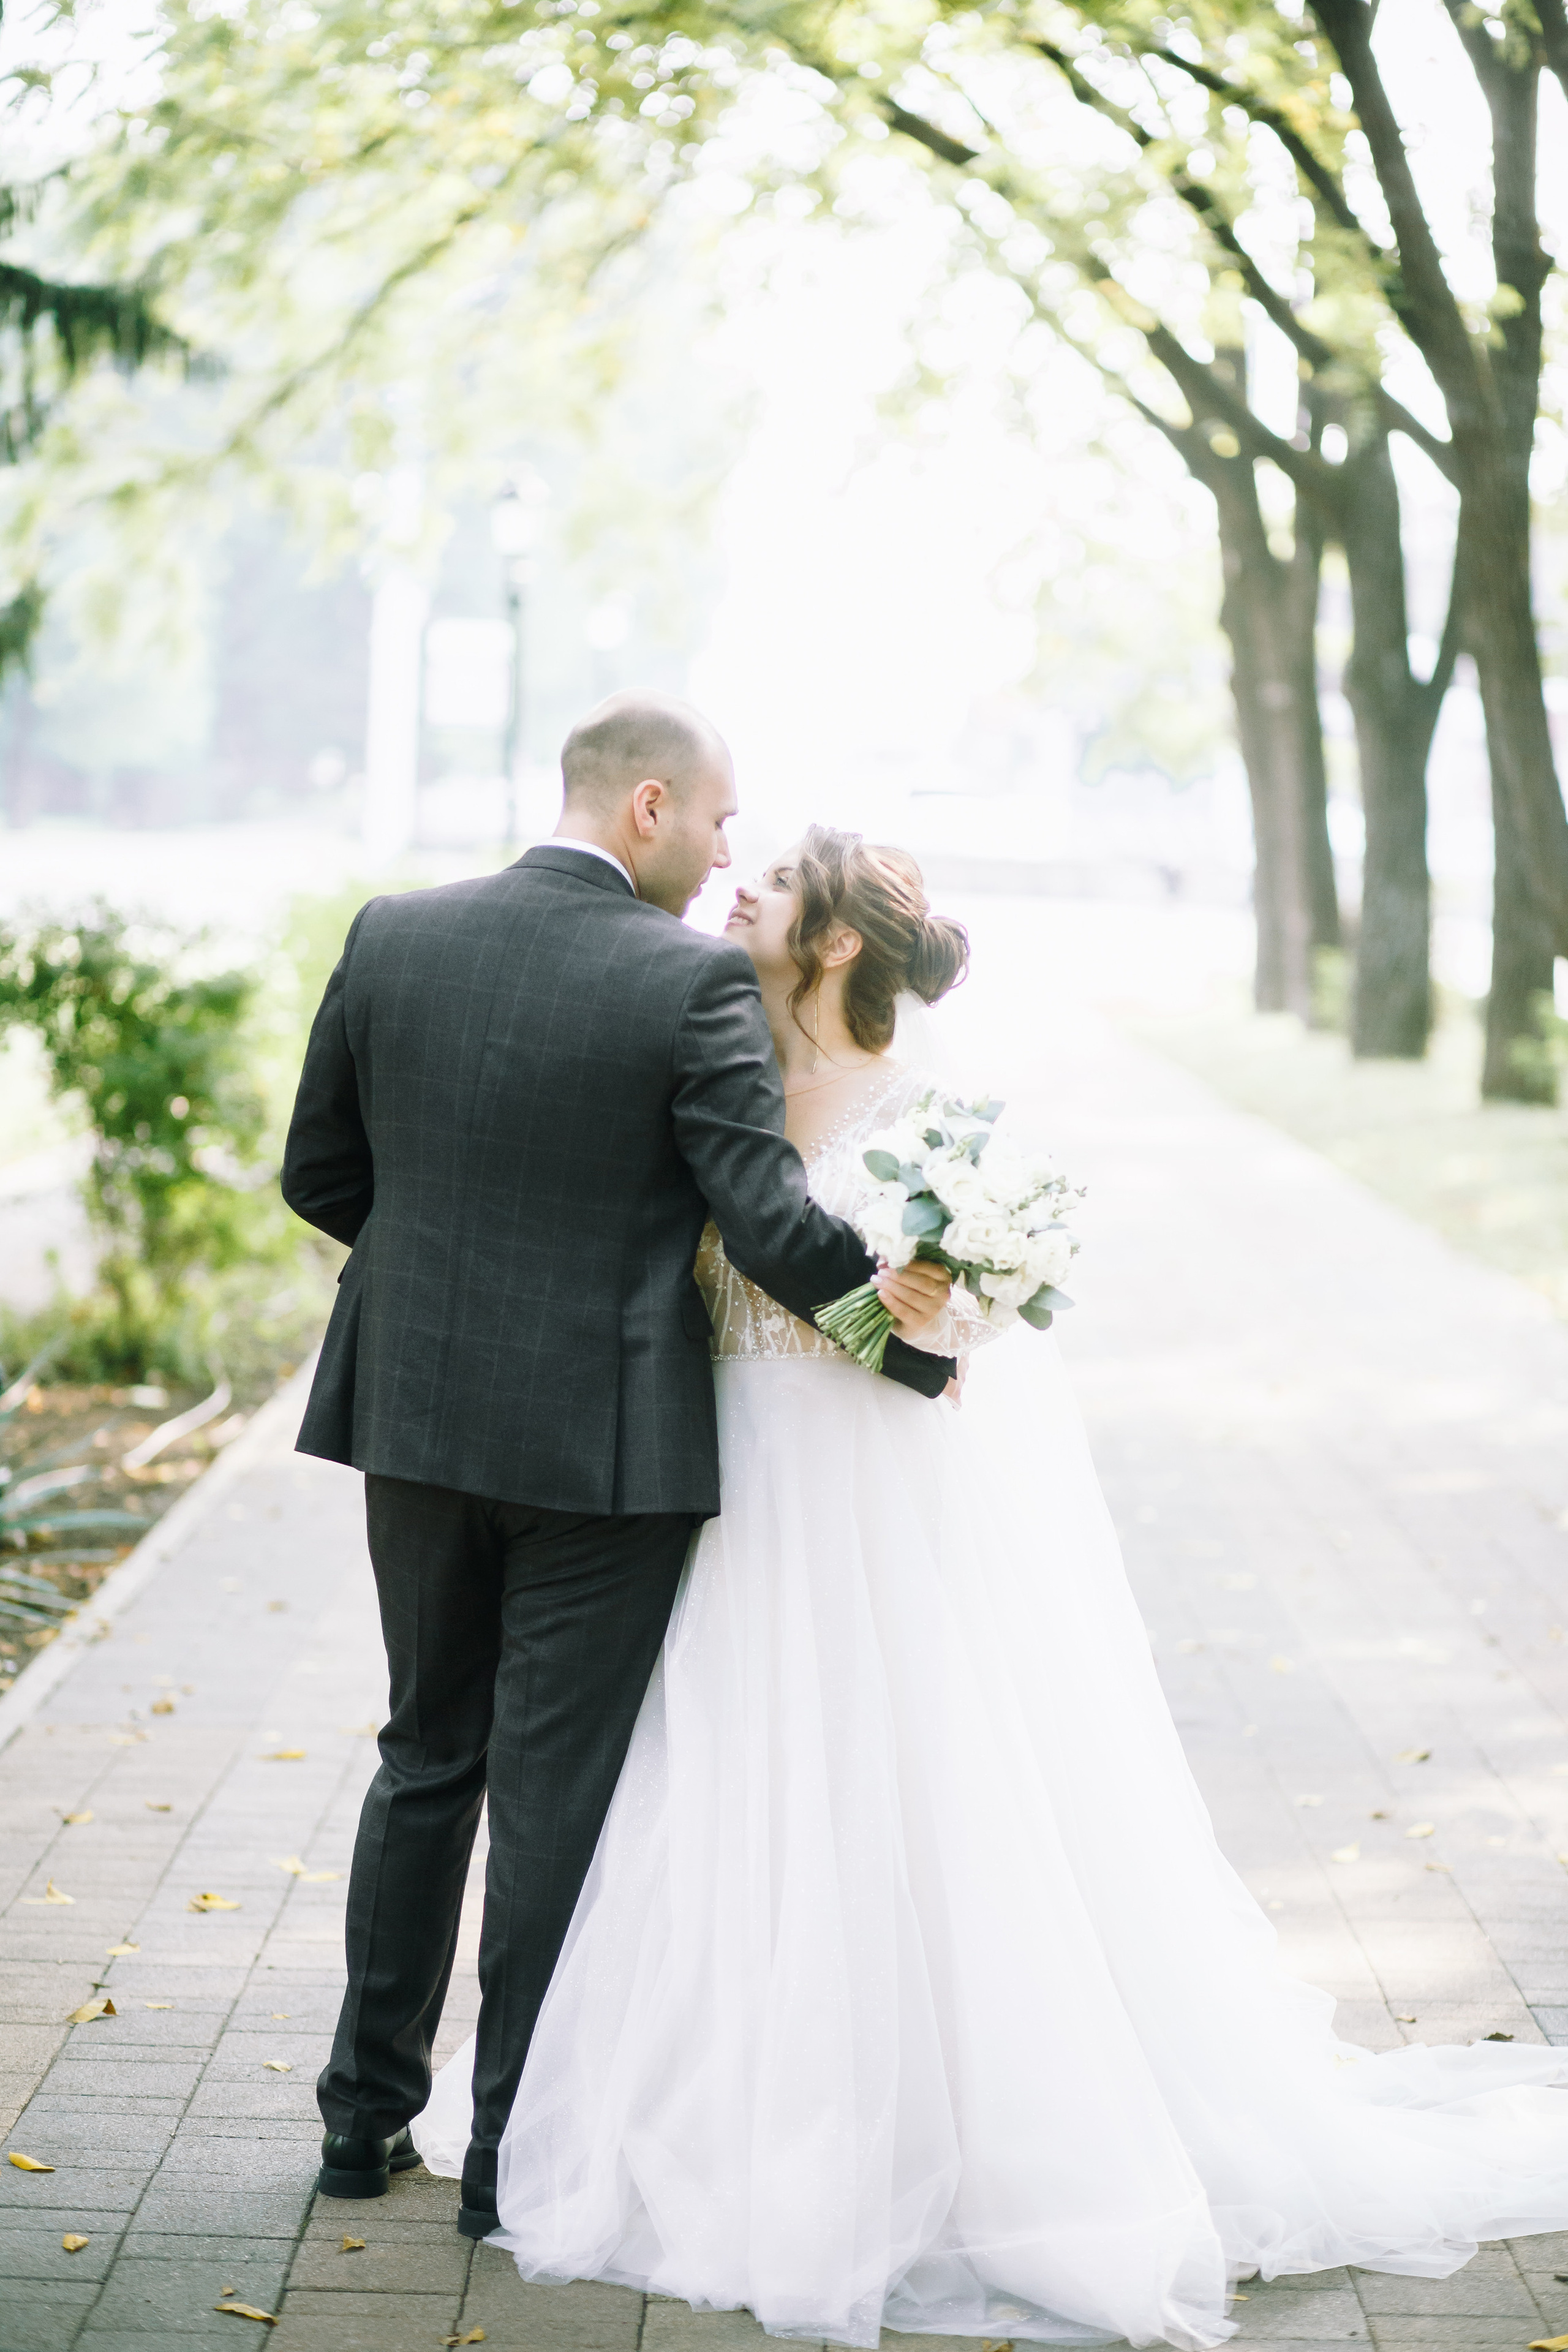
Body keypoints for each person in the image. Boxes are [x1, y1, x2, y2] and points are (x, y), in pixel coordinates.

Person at [413, 824, 1568, 2351]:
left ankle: (952, 2144)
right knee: (728, 1775)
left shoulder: (932, 1117)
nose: (740, 886)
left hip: (870, 1494)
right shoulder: (711, 1073)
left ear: (835, 942)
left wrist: (942, 1306)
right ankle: (718, 2111)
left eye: (776, 882)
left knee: (902, 1776)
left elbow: (980, 1332)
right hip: (720, 1484)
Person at [279, 697, 956, 2237]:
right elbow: (766, 1220)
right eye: (716, 822)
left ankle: (358, 2122)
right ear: (648, 805)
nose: (725, 856)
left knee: (423, 1757)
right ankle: (509, 2158)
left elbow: (320, 1172)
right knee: (551, 1795)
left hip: (417, 1419)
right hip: (604, 1448)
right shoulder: (687, 979)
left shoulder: (393, 934)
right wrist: (903, 1346)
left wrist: (442, 1289)